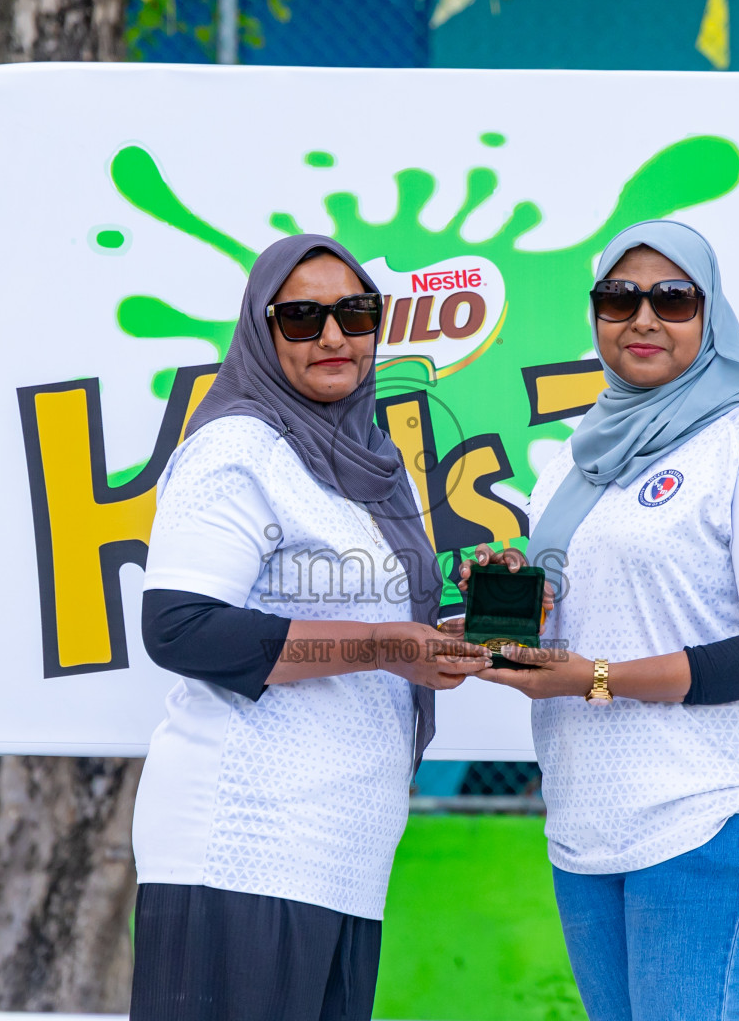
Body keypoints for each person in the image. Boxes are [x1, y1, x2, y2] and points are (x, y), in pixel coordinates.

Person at [461, 220, 739, 1021]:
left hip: (707, 814)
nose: (644, 319)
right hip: (586, 820)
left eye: (673, 298)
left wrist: (598, 679)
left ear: (710, 314)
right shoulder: (571, 458)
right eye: (618, 298)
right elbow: (549, 646)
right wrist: (505, 607)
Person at [129, 234, 492, 1021]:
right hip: (246, 842)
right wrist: (383, 648)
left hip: (341, 849)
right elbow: (181, 628)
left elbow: (372, 630)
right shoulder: (237, 448)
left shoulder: (361, 458)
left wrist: (449, 633)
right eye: (301, 318)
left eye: (355, 314)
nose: (334, 337)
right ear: (263, 334)